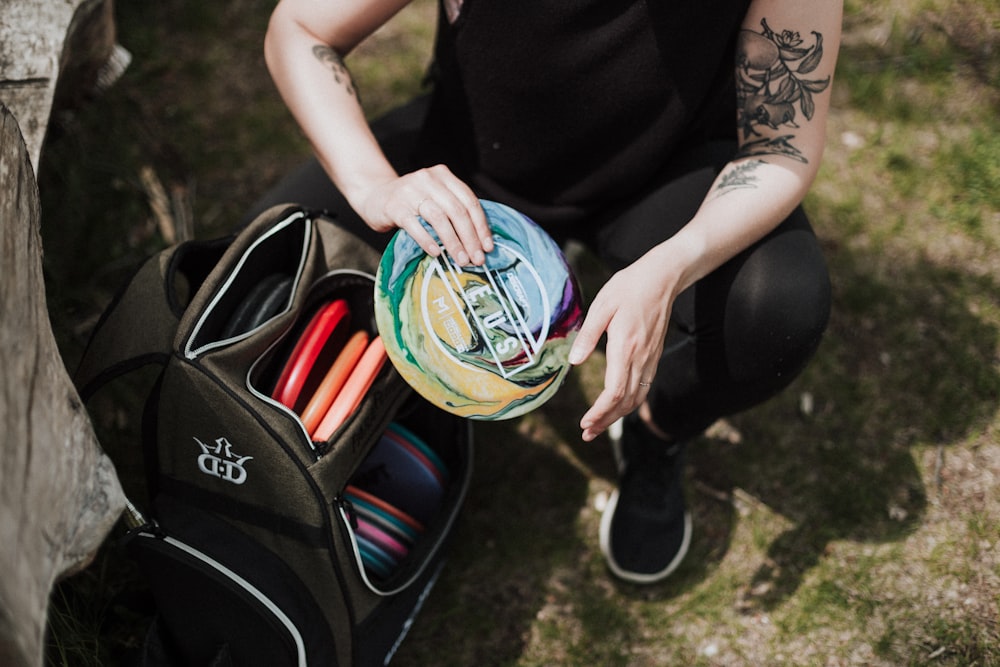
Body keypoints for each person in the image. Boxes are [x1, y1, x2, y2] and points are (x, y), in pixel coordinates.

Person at [259, 0, 842, 584]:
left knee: (774, 308)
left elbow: (781, 145)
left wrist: (674, 263)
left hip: (662, 172)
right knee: (266, 275)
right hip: (470, 171)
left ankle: (653, 435)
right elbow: (301, 29)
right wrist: (375, 187)